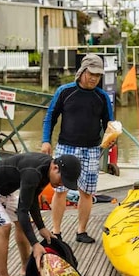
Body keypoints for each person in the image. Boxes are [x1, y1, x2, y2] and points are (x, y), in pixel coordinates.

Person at [0, 152, 81, 276]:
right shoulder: (33, 172)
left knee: (24, 223)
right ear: (55, 168)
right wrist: (35, 244)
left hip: (3, 191)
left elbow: (32, 201)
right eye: (63, 179)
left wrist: (41, 228)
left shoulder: (46, 170)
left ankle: (26, 269)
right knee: (4, 226)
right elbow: (23, 210)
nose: (62, 184)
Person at [42, 53, 113, 244]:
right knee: (60, 190)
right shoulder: (65, 91)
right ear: (82, 72)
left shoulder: (102, 96)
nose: (94, 78)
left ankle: (81, 231)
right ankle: (56, 231)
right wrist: (46, 141)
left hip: (91, 149)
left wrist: (111, 138)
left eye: (98, 76)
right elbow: (50, 117)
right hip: (66, 147)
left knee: (87, 192)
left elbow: (109, 124)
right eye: (91, 74)